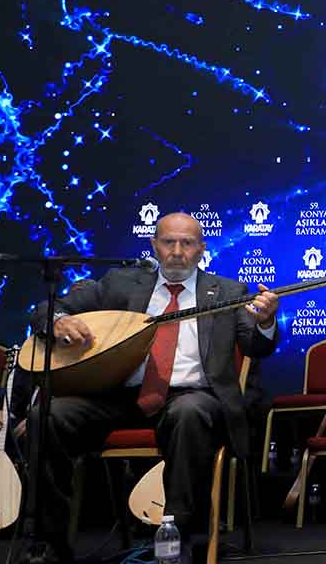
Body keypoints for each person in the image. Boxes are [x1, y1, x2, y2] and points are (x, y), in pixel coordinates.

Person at [27, 213, 279, 562]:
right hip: (120, 395)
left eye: (187, 243)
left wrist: (266, 322)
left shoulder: (228, 292)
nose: (177, 251)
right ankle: (48, 543)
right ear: (153, 246)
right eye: (168, 242)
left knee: (189, 412)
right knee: (48, 415)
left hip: (191, 396)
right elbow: (50, 308)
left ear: (201, 249)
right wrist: (58, 320)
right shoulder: (120, 284)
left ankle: (176, 541)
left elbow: (256, 346)